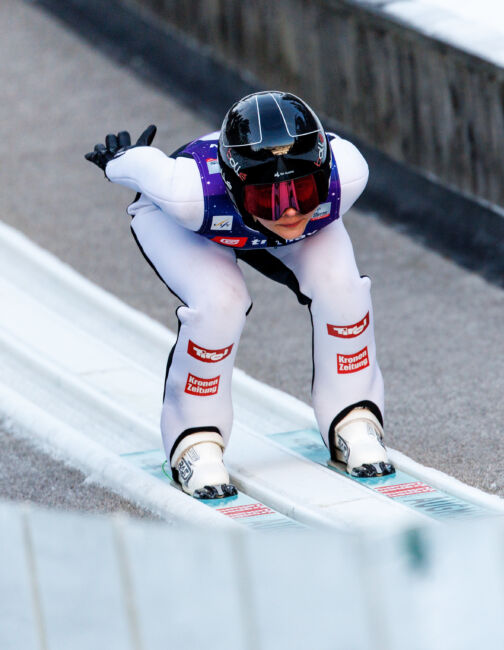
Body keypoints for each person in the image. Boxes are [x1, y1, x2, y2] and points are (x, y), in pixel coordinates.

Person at [85, 90, 394, 499]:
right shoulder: (185, 193)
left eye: (302, 191)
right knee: (219, 304)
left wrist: (278, 202)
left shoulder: (346, 174)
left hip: (259, 220)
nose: (288, 211)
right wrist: (119, 160)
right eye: (267, 195)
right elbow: (144, 165)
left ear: (324, 174)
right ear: (233, 185)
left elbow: (291, 205)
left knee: (342, 287)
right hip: (192, 224)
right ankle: (194, 442)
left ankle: (354, 418)